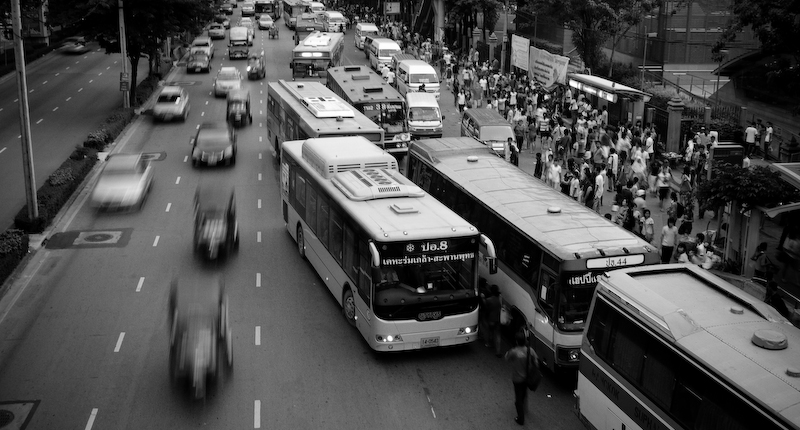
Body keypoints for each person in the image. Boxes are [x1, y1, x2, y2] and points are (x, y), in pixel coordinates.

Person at [504, 331, 537, 426]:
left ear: (517, 341)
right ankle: (524, 407)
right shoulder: (530, 350)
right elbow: (536, 361)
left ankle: (520, 418)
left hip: (517, 378)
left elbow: (507, 358)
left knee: (518, 398)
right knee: (523, 393)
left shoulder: (514, 352)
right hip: (527, 377)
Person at [483, 285, 503, 357]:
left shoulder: (489, 300)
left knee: (490, 331)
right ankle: (498, 351)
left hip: (491, 319)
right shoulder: (499, 299)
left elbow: (485, 307)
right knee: (498, 335)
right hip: (498, 319)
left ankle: (489, 343)